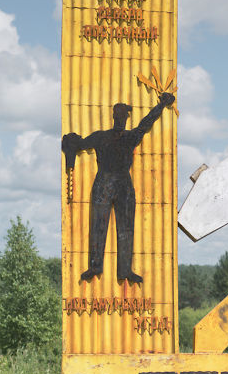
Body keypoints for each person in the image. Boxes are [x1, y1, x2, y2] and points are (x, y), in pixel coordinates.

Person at [62, 92, 175, 284]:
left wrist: (161, 105)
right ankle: (100, 266)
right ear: (118, 117)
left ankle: (119, 269)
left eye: (124, 116)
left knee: (121, 227)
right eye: (122, 116)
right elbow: (145, 123)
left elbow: (146, 122)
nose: (123, 119)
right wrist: (162, 105)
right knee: (105, 225)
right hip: (110, 183)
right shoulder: (114, 137)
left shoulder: (114, 137)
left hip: (116, 184)